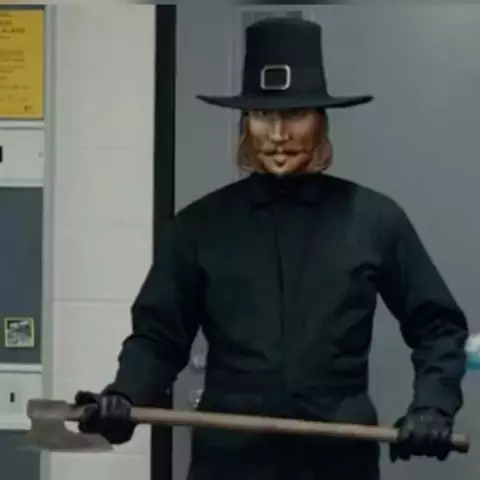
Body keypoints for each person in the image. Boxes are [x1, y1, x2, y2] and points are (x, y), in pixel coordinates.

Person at [74, 18, 469, 480]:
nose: (277, 134)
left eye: (295, 114)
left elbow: (437, 326)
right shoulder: (199, 226)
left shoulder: (375, 219)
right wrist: (124, 395)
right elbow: (159, 338)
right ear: (246, 123)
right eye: (262, 115)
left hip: (337, 462)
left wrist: (433, 405)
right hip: (229, 464)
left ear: (320, 121)